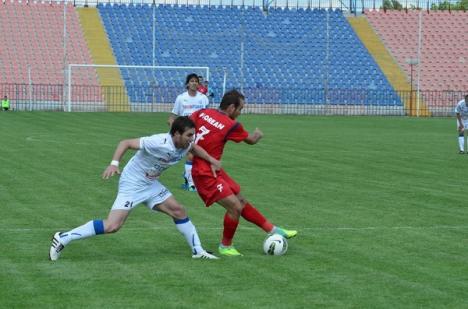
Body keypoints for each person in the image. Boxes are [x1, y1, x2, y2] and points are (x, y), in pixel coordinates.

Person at [49, 116, 220, 261]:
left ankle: (198, 251)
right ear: (176, 134)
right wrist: (114, 164)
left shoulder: (186, 144)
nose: (192, 138)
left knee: (179, 211)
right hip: (132, 183)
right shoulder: (159, 142)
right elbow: (126, 143)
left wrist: (212, 160)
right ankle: (63, 237)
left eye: (193, 134)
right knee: (112, 226)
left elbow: (195, 148)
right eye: (189, 135)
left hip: (150, 184)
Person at [190, 89, 298, 257]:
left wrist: (191, 150)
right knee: (235, 206)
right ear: (231, 107)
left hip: (212, 169)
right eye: (240, 109)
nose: (240, 113)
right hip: (204, 173)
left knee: (240, 199)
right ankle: (225, 246)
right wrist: (258, 135)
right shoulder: (231, 125)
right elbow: (251, 140)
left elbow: (181, 126)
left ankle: (274, 230)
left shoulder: (203, 112)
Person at [168, 73, 209, 191]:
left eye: (196, 81)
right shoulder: (181, 98)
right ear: (187, 84)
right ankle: (191, 184)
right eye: (192, 81)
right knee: (191, 155)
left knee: (198, 157)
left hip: (200, 131)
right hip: (186, 131)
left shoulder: (203, 98)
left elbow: (206, 115)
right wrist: (174, 129)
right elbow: (173, 116)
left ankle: (189, 178)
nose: (194, 83)